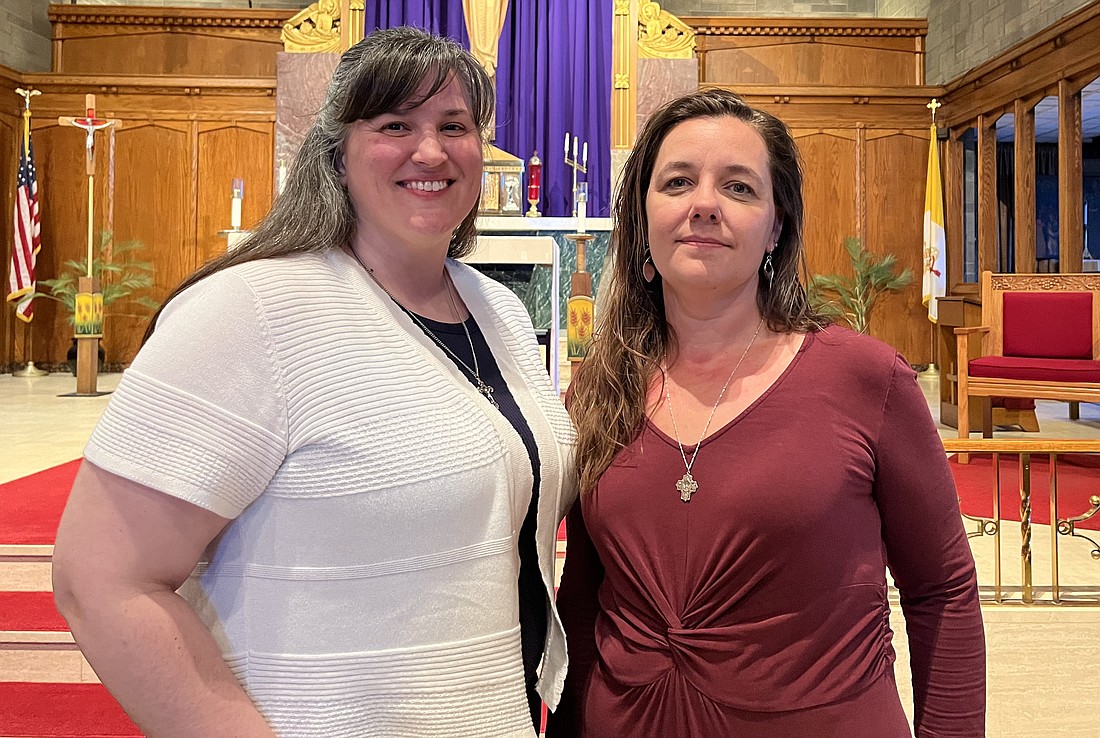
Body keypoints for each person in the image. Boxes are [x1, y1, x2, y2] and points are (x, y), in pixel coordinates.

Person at [52, 27, 577, 738]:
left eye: (454, 126)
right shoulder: (253, 309)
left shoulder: (499, 310)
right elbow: (100, 581)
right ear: (337, 151)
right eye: (396, 124)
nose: (430, 150)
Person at [546, 89, 985, 737]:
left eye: (739, 188)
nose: (704, 204)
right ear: (642, 219)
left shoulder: (864, 378)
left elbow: (941, 593)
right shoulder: (598, 390)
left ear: (776, 226)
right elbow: (583, 602)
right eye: (676, 182)